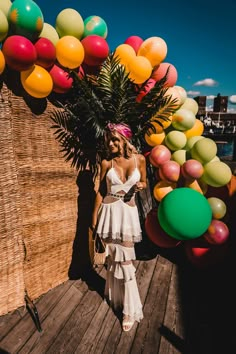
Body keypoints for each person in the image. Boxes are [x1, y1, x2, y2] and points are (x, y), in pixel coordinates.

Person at [90, 122, 147, 332]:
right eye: (108, 140)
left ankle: (130, 310)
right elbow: (99, 191)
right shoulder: (106, 162)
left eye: (115, 139)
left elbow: (145, 181)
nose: (111, 143)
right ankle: (116, 296)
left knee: (126, 262)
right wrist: (94, 217)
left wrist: (141, 185)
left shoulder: (139, 159)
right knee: (114, 258)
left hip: (128, 215)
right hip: (109, 212)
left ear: (125, 139)